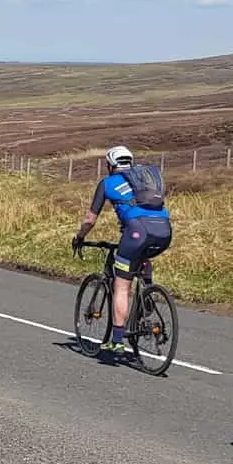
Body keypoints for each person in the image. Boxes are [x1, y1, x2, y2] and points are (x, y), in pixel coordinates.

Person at [71, 145, 172, 353]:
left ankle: (117, 340)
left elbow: (90, 219)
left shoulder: (107, 183)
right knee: (141, 257)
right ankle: (147, 290)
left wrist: (79, 237)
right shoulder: (144, 181)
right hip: (164, 231)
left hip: (137, 232)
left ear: (110, 166)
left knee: (122, 286)